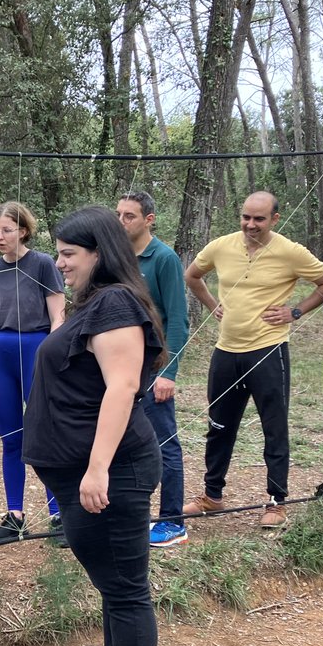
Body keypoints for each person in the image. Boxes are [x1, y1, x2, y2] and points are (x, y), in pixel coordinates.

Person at [22, 206, 165, 646]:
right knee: (113, 584)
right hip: (86, 473)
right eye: (58, 254)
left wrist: (98, 466)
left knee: (127, 589)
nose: (59, 264)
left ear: (100, 254)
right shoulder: (99, 304)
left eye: (68, 255)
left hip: (114, 473)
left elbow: (122, 385)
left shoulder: (116, 303)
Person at [184, 191, 323, 528]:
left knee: (274, 428)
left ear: (274, 219)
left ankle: (276, 501)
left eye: (259, 219)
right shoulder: (221, 246)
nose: (251, 225)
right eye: (246, 217)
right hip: (226, 351)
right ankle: (212, 494)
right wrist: (213, 305)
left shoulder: (290, 252)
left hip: (268, 351)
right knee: (219, 425)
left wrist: (295, 311)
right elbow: (192, 275)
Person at [0, 201, 66, 540]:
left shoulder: (43, 264)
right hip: (0, 353)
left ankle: (58, 515)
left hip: (36, 350)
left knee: (45, 433)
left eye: (7, 230)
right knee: (11, 437)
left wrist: (50, 356)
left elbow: (58, 316)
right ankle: (15, 515)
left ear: (23, 231)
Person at [117, 191, 190, 547]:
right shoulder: (117, 260)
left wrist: (169, 372)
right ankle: (133, 516)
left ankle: (173, 521)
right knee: (126, 439)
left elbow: (178, 318)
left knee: (164, 441)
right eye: (118, 214)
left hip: (153, 365)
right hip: (121, 365)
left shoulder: (163, 258)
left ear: (149, 219)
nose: (121, 221)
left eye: (129, 216)